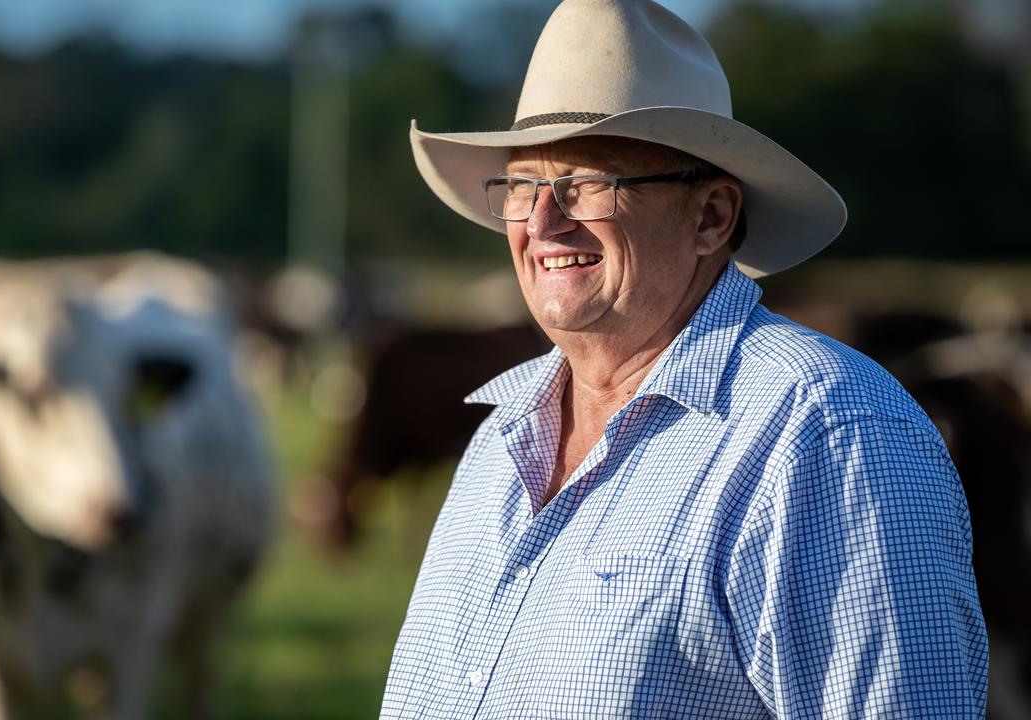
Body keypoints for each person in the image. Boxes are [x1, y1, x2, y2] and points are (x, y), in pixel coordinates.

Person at [380, 0, 988, 717]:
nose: (543, 223)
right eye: (521, 186)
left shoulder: (828, 436)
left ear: (711, 217)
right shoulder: (499, 441)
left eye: (586, 184)